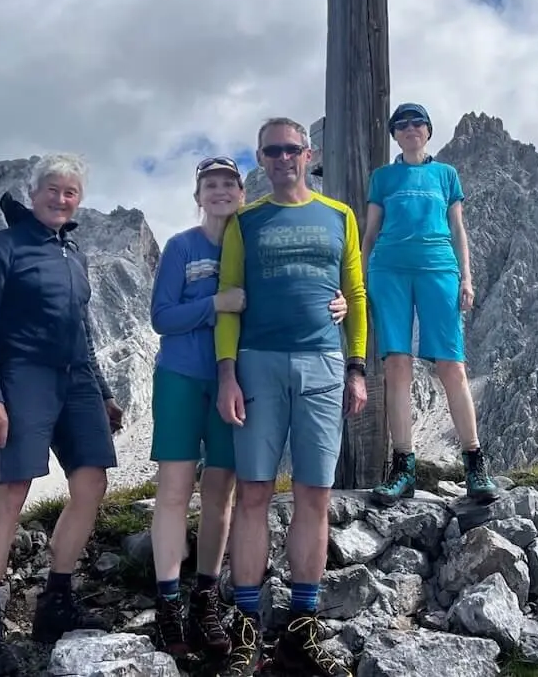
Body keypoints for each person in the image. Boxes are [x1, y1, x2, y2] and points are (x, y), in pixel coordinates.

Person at [146, 155, 349, 662]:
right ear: (198, 196)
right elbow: (161, 317)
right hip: (182, 376)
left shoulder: (254, 239)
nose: (219, 191)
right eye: (209, 184)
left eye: (228, 184)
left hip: (236, 381)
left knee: (221, 492)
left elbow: (292, 288)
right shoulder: (181, 247)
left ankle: (206, 597)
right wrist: (215, 304)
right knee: (173, 491)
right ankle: (169, 604)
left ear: (241, 193)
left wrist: (340, 298)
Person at [213, 117, 367, 677]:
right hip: (256, 366)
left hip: (324, 366)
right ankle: (248, 627)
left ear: (310, 155)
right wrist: (227, 373)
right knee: (253, 494)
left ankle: (303, 625)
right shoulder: (244, 222)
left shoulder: (340, 216)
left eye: (291, 150)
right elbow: (230, 302)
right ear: (260, 158)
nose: (282, 159)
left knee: (314, 496)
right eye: (271, 151)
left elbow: (354, 292)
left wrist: (356, 367)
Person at [0, 153, 124, 677]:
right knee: (13, 490)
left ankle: (55, 602)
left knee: (92, 483)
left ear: (79, 201)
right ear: (33, 194)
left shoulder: (73, 253)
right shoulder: (2, 247)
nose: (60, 198)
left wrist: (102, 391)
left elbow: (84, 329)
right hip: (23, 378)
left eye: (70, 192)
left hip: (76, 380)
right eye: (52, 189)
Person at [361, 103, 499, 506]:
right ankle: (403, 466)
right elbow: (371, 232)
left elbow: (458, 229)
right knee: (396, 364)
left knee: (451, 364)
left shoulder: (446, 174)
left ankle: (474, 462)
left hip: (439, 267)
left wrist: (467, 278)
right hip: (389, 270)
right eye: (400, 125)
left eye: (416, 122)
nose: (409, 129)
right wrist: (363, 279)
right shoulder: (383, 177)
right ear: (394, 135)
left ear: (427, 130)